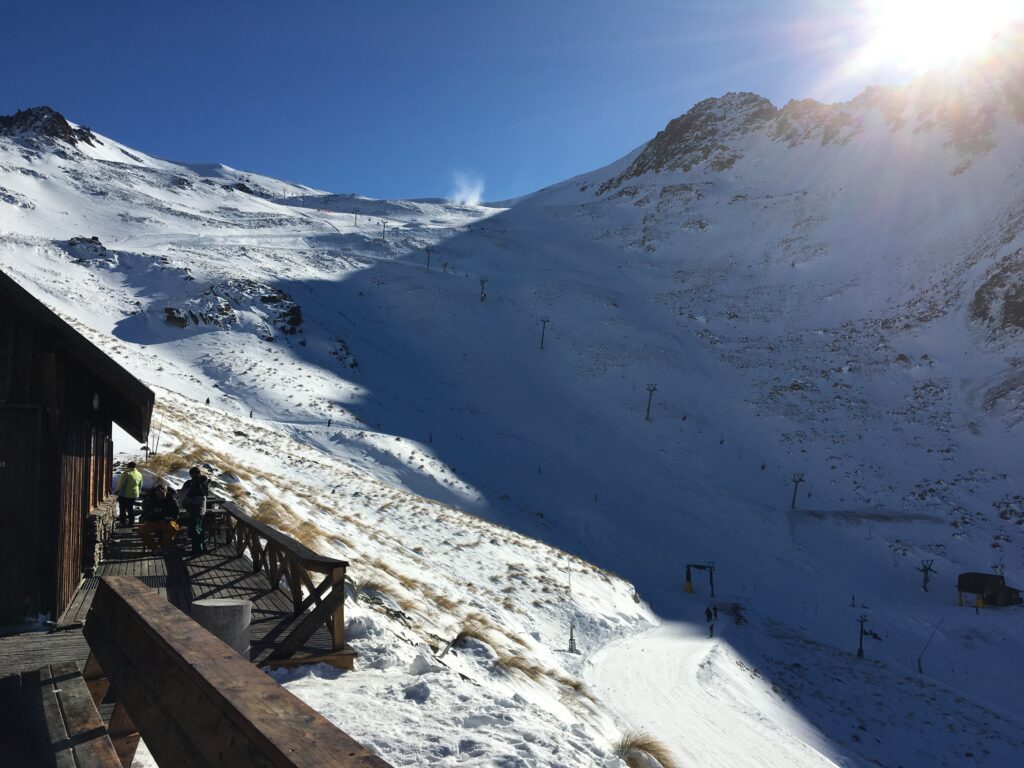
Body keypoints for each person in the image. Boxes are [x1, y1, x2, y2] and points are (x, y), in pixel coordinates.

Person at [138, 484, 181, 552]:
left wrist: (167, 519)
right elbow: (145, 513)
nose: (160, 495)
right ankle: (154, 548)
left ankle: (165, 547)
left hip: (167, 521)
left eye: (162, 493)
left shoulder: (172, 501)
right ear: (156, 492)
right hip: (153, 521)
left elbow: (176, 514)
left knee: (174, 528)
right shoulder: (151, 500)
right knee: (142, 530)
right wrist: (153, 512)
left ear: (166, 492)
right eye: (158, 493)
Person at [179, 466, 210, 556]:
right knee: (197, 528)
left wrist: (198, 485)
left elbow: (204, 492)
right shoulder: (197, 482)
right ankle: (201, 548)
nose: (193, 476)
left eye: (193, 474)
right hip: (197, 508)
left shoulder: (201, 482)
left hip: (197, 508)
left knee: (196, 529)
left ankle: (197, 550)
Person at [115, 461, 144, 527]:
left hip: (125, 494)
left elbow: (121, 483)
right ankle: (131, 522)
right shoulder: (139, 474)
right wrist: (138, 492)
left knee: (122, 509)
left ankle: (123, 522)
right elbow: (140, 485)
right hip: (134, 494)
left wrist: (118, 491)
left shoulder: (126, 473)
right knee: (130, 508)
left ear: (128, 466)